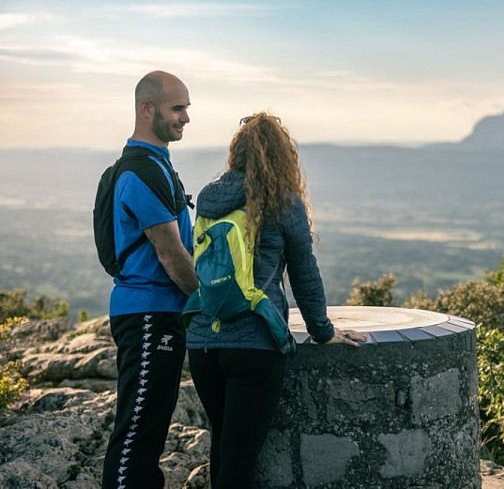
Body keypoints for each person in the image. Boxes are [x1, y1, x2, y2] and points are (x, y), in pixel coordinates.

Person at [186, 112, 367, 488]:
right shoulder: (283, 203)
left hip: (203, 340)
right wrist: (323, 331)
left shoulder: (208, 198)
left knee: (223, 444)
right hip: (255, 341)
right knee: (239, 461)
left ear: (235, 154)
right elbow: (304, 274)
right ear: (283, 157)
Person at [101, 71, 199, 489]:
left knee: (151, 424)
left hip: (157, 313)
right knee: (139, 429)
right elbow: (171, 254)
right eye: (177, 108)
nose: (186, 118)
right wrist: (209, 302)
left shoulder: (156, 164)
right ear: (147, 108)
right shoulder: (142, 171)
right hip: (147, 313)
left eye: (186, 109)